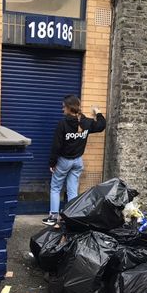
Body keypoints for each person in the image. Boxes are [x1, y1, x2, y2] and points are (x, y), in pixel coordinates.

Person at [43, 95, 106, 226]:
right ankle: (71, 217)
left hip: (64, 162)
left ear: (68, 108)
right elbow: (101, 125)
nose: (62, 109)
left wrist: (52, 163)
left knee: (55, 188)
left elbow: (56, 146)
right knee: (72, 189)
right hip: (78, 161)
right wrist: (98, 111)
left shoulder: (63, 124)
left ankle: (53, 217)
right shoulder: (86, 122)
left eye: (63, 107)